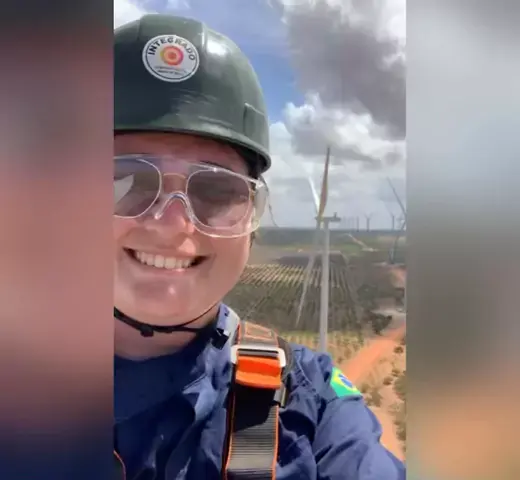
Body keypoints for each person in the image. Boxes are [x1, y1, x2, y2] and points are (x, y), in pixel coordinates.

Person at [114, 13, 406, 480]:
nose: (171, 224)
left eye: (215, 190)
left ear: (253, 220)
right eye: (124, 180)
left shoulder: (312, 410)